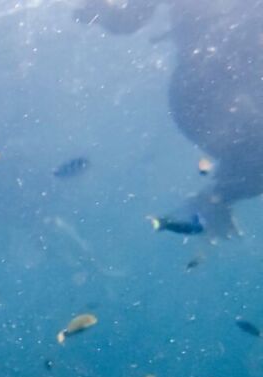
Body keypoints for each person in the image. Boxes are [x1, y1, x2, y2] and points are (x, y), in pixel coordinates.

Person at [74, 0, 263, 238]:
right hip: (201, 92)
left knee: (256, 157)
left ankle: (216, 200)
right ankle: (215, 200)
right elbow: (130, 18)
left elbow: (129, 19)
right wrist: (101, 13)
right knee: (257, 156)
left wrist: (104, 14)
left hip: (216, 93)